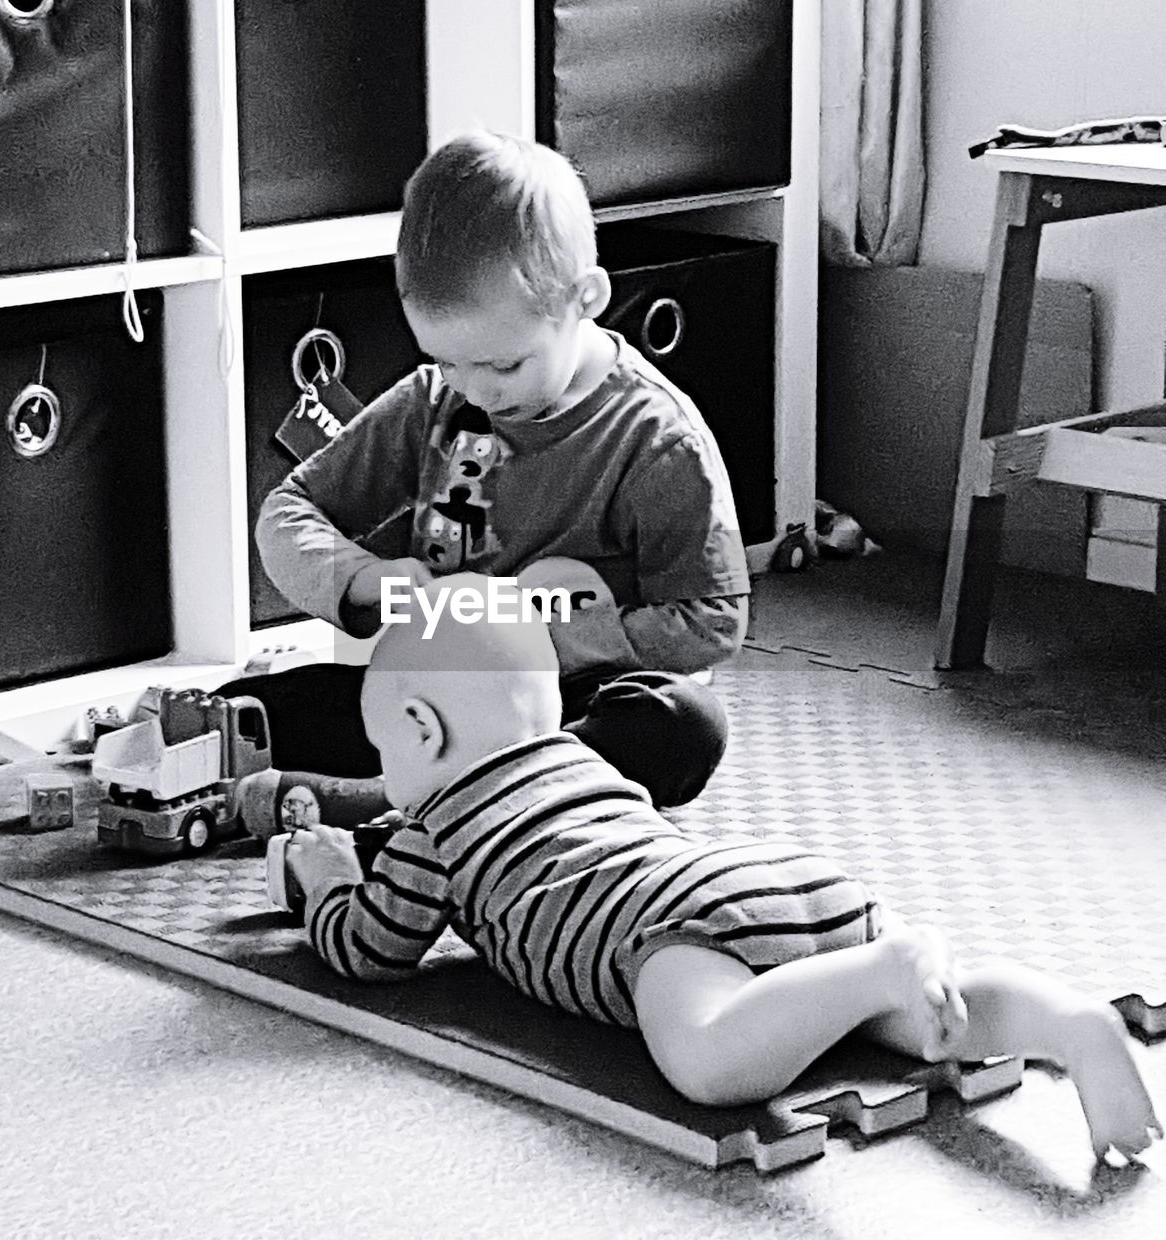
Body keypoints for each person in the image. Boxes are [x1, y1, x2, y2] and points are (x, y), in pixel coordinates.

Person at [270, 577, 1161, 1164]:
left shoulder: (434, 828)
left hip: (673, 927)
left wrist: (325, 884)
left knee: (707, 1062)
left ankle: (881, 970)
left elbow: (375, 949)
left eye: (385, 746)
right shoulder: (589, 764)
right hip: (778, 878)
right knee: (937, 1014)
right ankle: (1068, 1024)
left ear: (422, 730)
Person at [218, 130, 746, 815]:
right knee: (246, 711)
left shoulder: (657, 440)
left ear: (584, 298)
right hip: (438, 689)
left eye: (504, 366)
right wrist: (364, 580)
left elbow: (713, 616)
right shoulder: (435, 401)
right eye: (449, 361)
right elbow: (289, 510)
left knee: (682, 726)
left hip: (568, 702)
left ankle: (396, 803)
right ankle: (446, 795)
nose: (477, 391)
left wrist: (563, 640)